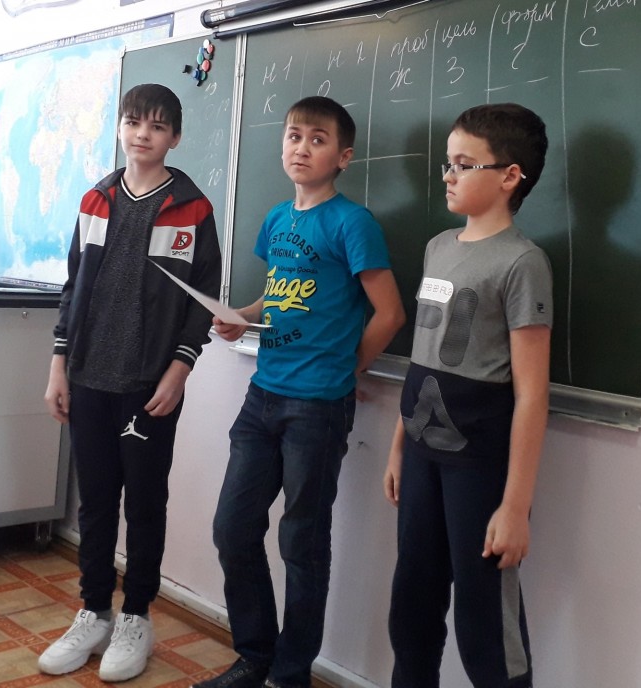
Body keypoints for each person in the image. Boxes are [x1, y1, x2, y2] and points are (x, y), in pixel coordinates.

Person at [196, 96, 405, 688]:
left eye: (318, 139)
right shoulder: (277, 219)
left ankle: (289, 675)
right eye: (294, 136)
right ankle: (255, 657)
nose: (302, 148)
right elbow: (282, 289)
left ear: (343, 156)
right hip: (263, 394)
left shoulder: (352, 223)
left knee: (302, 543)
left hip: (317, 406)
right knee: (233, 529)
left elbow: (390, 313)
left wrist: (347, 370)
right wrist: (242, 315)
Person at [40, 83, 222, 682]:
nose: (143, 133)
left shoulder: (193, 208)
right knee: (95, 502)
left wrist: (180, 369)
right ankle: (93, 611)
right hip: (89, 377)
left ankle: (136, 616)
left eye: (157, 126)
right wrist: (59, 364)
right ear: (120, 127)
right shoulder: (95, 198)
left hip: (149, 386)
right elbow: (73, 286)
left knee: (144, 504)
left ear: (175, 137)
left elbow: (202, 301)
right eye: (134, 121)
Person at [383, 103, 552, 688]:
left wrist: (515, 507)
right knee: (412, 607)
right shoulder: (438, 247)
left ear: (510, 176)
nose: (449, 175)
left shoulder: (523, 262)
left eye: (464, 164)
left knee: (485, 626)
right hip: (423, 455)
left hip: (478, 467)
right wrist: (399, 446)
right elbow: (422, 356)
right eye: (448, 163)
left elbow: (531, 394)